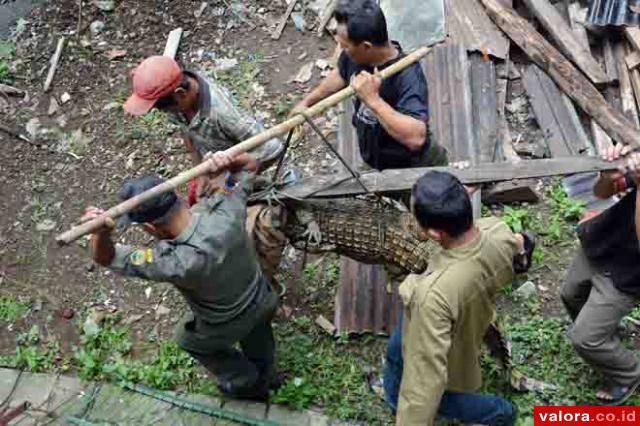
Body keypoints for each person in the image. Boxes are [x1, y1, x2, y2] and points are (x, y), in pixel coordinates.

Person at [80, 152, 278, 401]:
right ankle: (267, 371)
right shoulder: (226, 209)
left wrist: (100, 235)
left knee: (187, 339)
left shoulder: (172, 262)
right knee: (259, 332)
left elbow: (105, 258)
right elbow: (249, 165)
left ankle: (246, 382)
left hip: (227, 322)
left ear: (151, 228)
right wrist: (228, 161)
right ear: (181, 200)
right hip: (262, 296)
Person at [384, 171, 533, 425]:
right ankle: (392, 395)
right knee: (396, 354)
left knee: (439, 394)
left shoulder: (432, 297)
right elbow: (520, 244)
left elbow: (424, 382)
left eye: (414, 217)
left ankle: (500, 412)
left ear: (434, 233)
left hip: (440, 328)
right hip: (469, 312)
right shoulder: (496, 231)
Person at [290, 0, 447, 171]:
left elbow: (416, 139)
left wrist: (373, 100)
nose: (341, 49)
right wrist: (307, 103)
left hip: (413, 167)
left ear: (366, 46)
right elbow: (341, 74)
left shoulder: (408, 75)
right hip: (377, 159)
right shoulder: (354, 56)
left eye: (345, 46)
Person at [123, 56, 283, 204]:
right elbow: (187, 131)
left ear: (181, 94)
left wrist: (230, 178)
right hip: (212, 164)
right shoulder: (179, 102)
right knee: (196, 197)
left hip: (238, 168)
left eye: (164, 108)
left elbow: (273, 148)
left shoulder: (223, 114)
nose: (165, 112)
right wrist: (200, 173)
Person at [561, 144, 640, 404]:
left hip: (630, 273)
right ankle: (605, 331)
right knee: (570, 293)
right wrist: (608, 177)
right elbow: (602, 192)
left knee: (584, 339)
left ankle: (629, 373)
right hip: (606, 242)